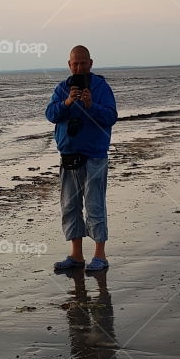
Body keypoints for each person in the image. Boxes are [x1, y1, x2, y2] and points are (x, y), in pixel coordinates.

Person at [44, 45, 118, 274]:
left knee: (95, 205)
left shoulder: (101, 87)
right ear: (69, 64)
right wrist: (67, 103)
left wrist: (90, 105)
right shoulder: (62, 89)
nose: (79, 67)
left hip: (94, 155)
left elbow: (111, 117)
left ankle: (100, 255)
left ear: (91, 63)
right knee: (70, 206)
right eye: (75, 63)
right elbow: (50, 114)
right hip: (68, 156)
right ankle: (76, 255)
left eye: (83, 63)